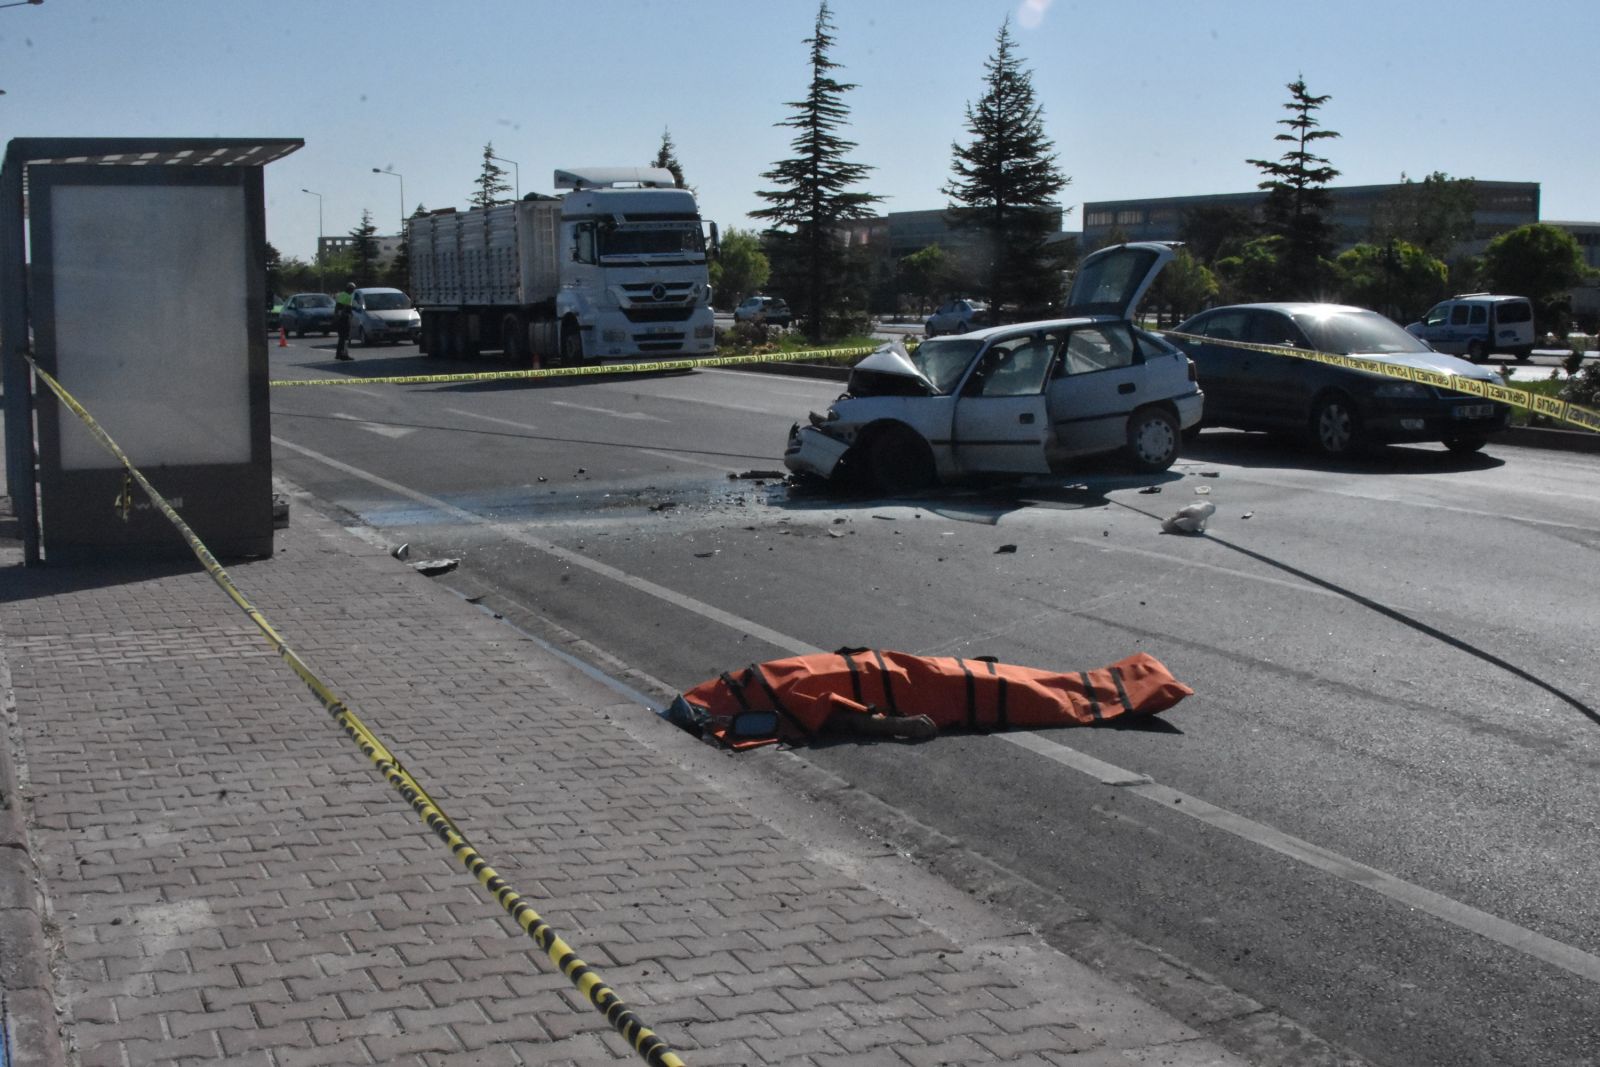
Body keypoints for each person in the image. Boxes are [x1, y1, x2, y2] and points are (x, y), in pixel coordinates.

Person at [333, 282, 355, 361]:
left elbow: (337, 307)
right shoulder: (348, 297)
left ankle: (338, 354)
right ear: (351, 290)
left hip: (338, 319)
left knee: (341, 338)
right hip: (345, 319)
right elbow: (348, 309)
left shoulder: (341, 295)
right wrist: (351, 316)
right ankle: (344, 355)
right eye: (353, 289)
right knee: (346, 338)